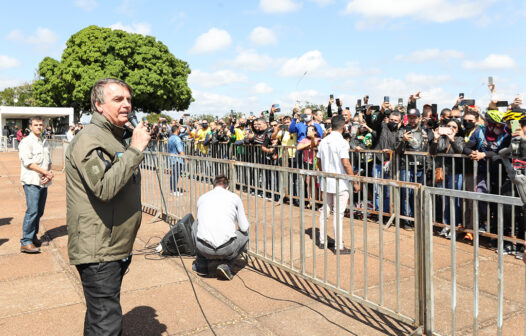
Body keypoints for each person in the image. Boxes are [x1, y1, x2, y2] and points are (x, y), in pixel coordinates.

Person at [65, 78, 150, 336]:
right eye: (118, 100)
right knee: (106, 325)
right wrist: (135, 149)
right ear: (99, 105)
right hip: (99, 249)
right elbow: (103, 187)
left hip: (114, 245)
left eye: (128, 99)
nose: (126, 105)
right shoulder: (89, 139)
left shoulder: (114, 137)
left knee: (100, 319)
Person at [316, 115, 360, 254]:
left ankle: (322, 241)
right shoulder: (342, 142)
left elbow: (318, 162)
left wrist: (324, 173)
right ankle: (338, 245)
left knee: (325, 210)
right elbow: (346, 163)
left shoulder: (324, 141)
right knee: (338, 213)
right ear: (343, 126)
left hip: (327, 180)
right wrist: (354, 181)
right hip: (340, 182)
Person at [192, 175, 250, 280]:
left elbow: (200, 223)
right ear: (227, 187)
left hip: (204, 247)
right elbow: (244, 227)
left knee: (195, 224)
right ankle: (227, 265)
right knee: (245, 235)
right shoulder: (234, 197)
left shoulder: (202, 198)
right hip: (226, 248)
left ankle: (201, 263)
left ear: (213, 186)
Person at [18, 116, 53, 253]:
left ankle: (33, 237)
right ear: (30, 127)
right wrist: (45, 172)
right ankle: (25, 241)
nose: (39, 127)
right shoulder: (26, 142)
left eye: (41, 124)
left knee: (39, 212)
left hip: (43, 182)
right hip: (32, 181)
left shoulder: (44, 142)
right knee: (32, 211)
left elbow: (48, 161)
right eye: (36, 125)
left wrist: (49, 173)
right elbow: (29, 163)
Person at [167, 123, 185, 196]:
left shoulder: (170, 138)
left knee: (173, 175)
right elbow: (180, 150)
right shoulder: (177, 139)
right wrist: (185, 159)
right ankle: (174, 191)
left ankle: (172, 190)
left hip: (172, 159)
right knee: (175, 175)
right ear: (177, 130)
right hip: (177, 160)